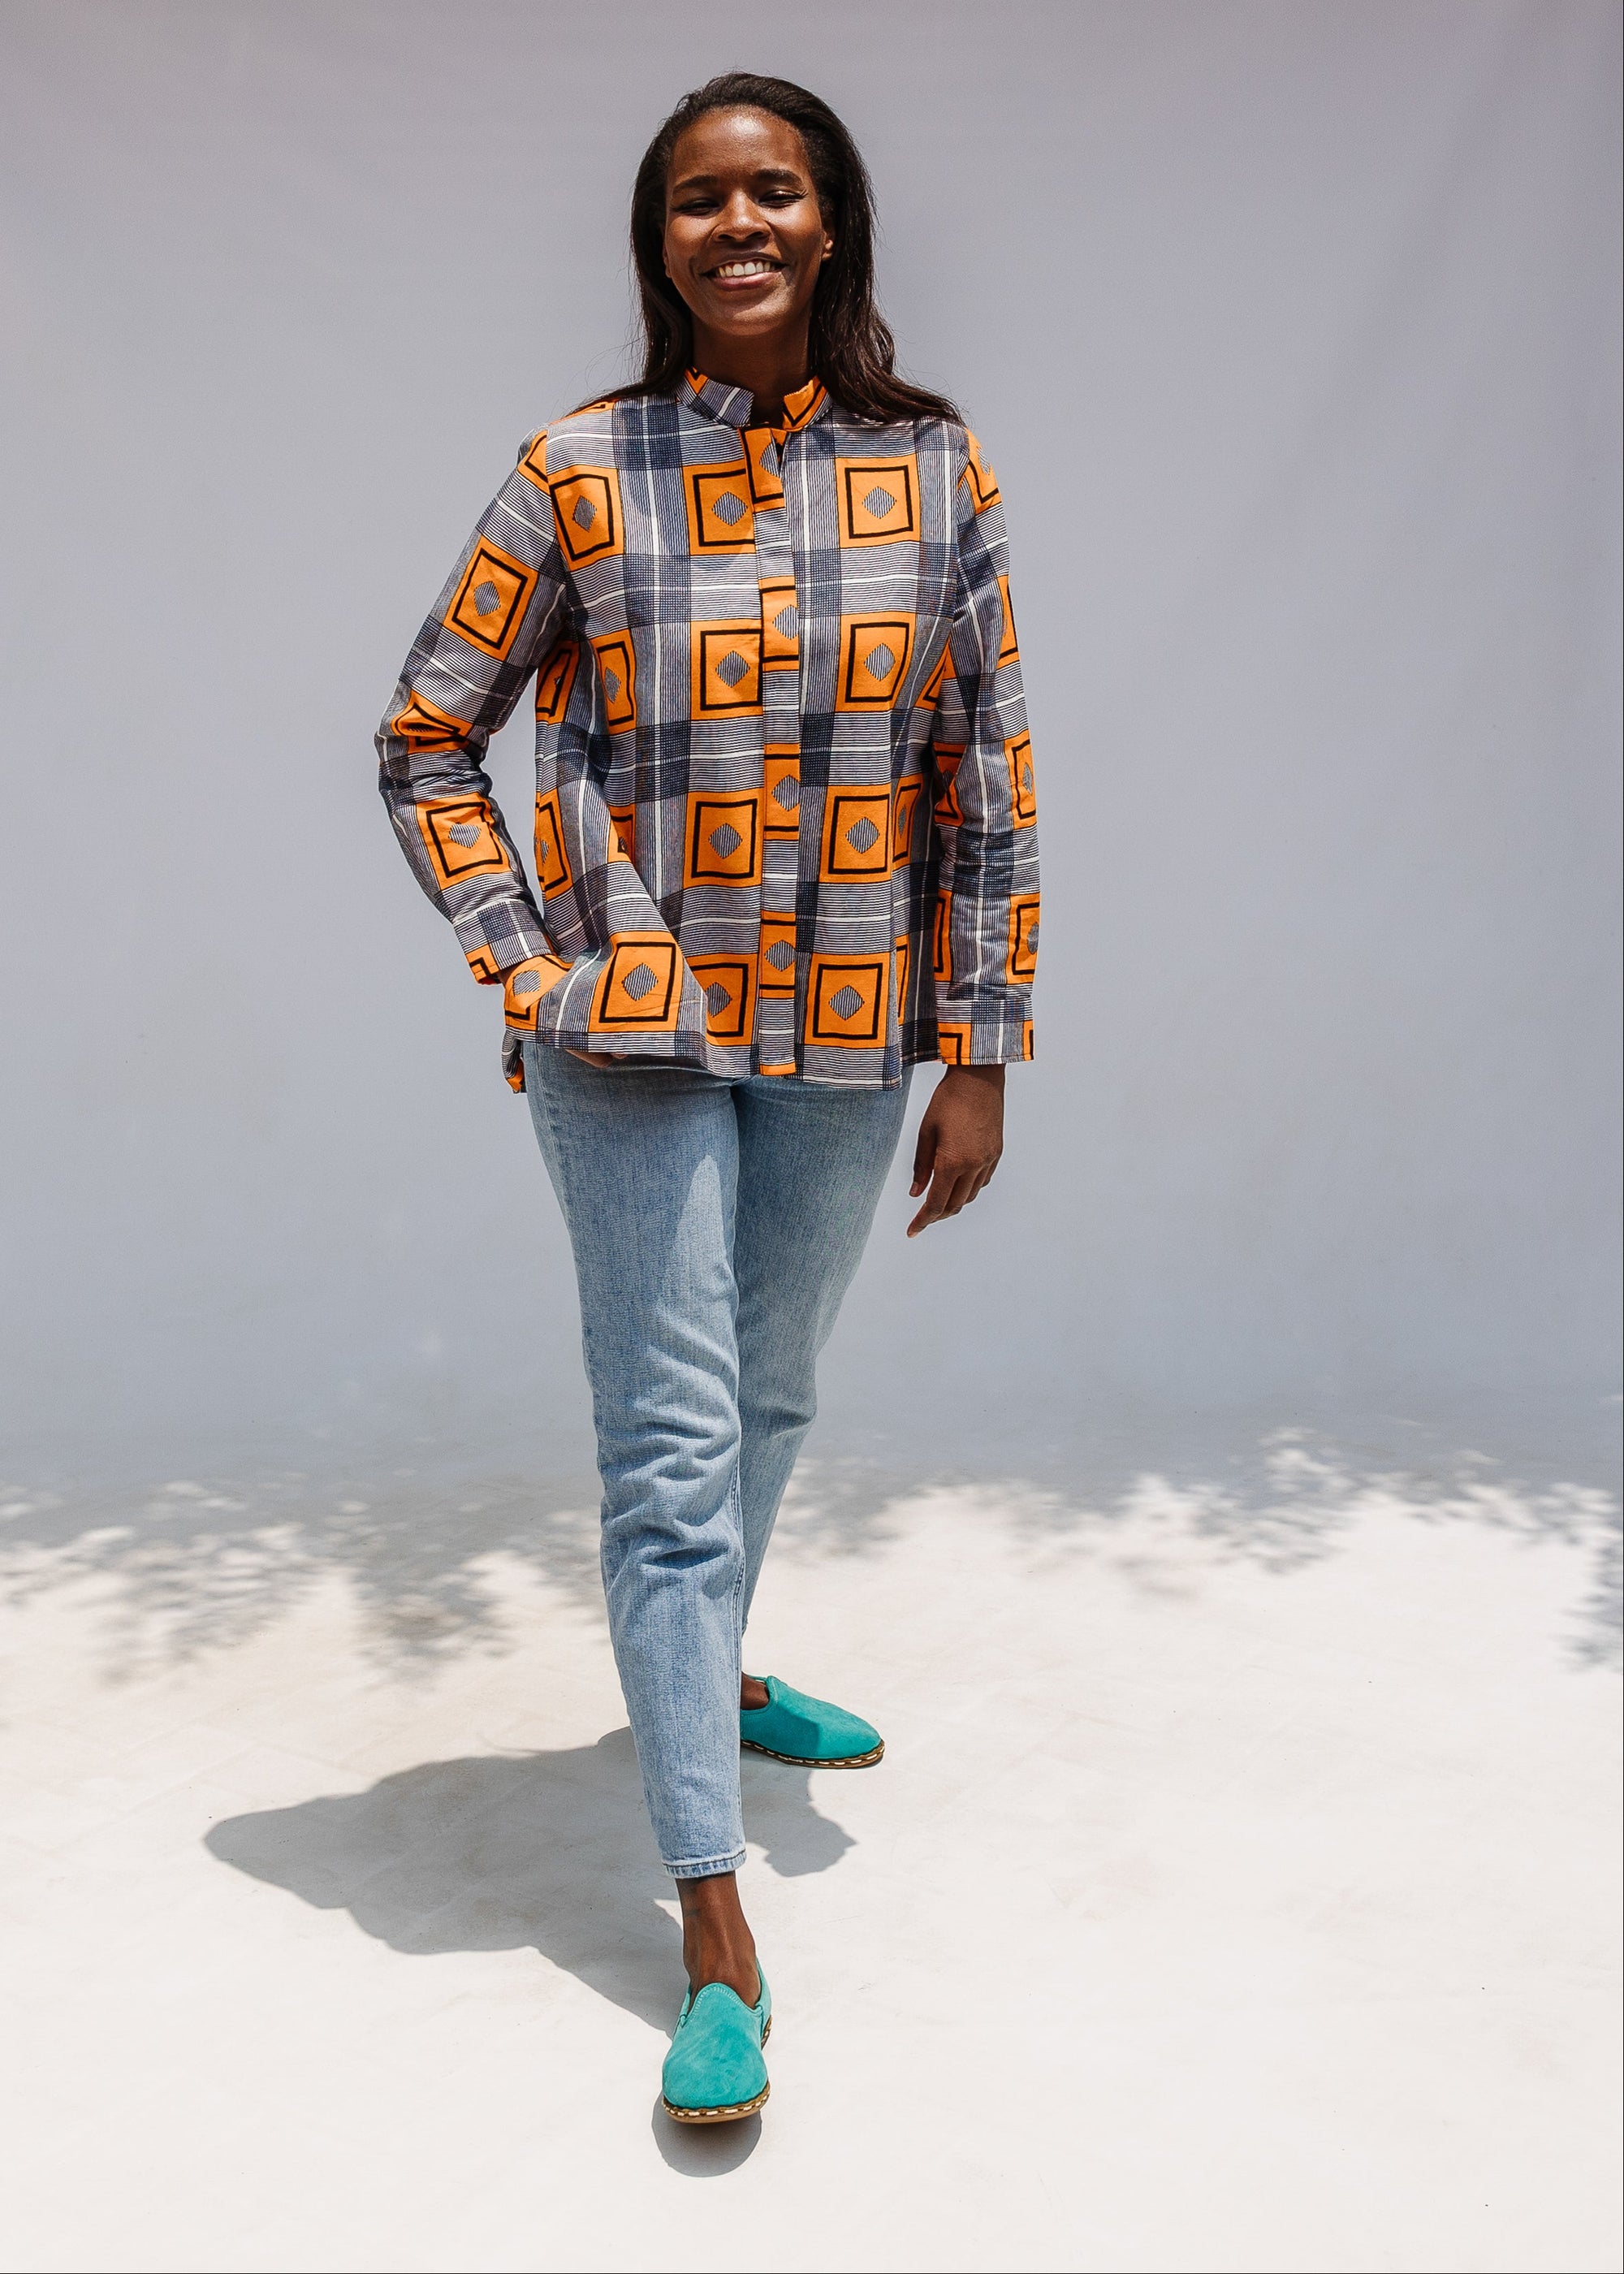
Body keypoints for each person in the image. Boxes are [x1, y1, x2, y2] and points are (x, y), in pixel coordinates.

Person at [375, 71, 1039, 2125]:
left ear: (830, 220)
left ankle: (718, 1679)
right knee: (669, 1449)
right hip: (627, 1038)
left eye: (771, 190)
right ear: (655, 238)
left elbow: (986, 769)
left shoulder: (936, 475)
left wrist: (981, 1043)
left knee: (768, 1394)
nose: (734, 223)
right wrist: (531, 960)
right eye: (694, 199)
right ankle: (710, 1909)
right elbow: (424, 735)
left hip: (851, 1022)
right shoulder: (576, 473)